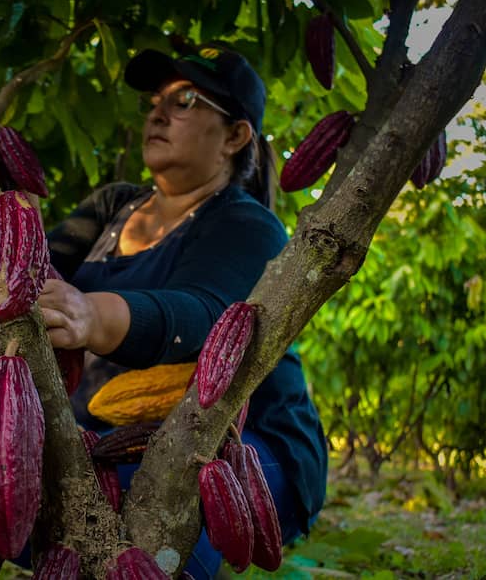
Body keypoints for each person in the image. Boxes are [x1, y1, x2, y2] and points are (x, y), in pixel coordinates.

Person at [38, 44, 328, 578]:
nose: (157, 113)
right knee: (18, 482)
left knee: (149, 509)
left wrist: (90, 315)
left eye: (185, 100)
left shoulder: (248, 226)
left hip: (245, 443)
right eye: (155, 101)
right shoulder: (112, 206)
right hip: (115, 434)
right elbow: (34, 271)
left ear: (235, 136)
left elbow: (203, 316)